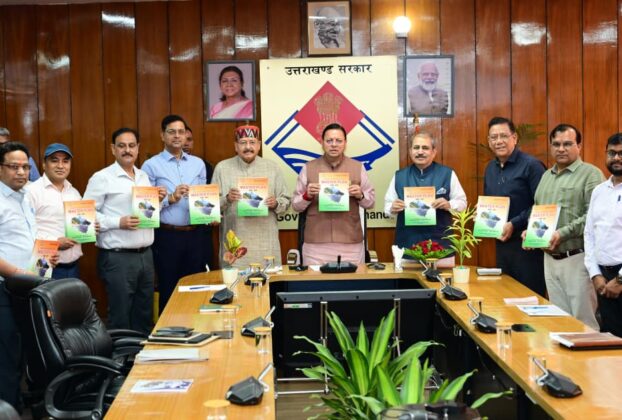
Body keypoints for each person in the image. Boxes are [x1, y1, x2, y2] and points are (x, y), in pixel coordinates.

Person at [84, 128, 163, 335]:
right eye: (122, 146)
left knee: (144, 314)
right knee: (120, 316)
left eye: (131, 145)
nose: (127, 150)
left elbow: (149, 212)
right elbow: (85, 214)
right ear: (113, 149)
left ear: (138, 148)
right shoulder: (102, 177)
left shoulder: (143, 176)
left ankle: (141, 355)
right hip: (117, 258)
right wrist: (117, 222)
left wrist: (159, 201)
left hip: (146, 255)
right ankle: (120, 356)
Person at [527, 124, 603, 330]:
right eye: (556, 144)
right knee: (559, 322)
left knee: (584, 324)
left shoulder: (591, 174)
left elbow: (593, 216)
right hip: (549, 259)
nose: (561, 149)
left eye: (567, 144)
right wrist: (531, 231)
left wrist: (562, 233)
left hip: (577, 259)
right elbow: (538, 210)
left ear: (579, 146)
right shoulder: (546, 176)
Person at [0, 141, 57, 411]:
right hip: (4, 288)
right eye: (14, 167)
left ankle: (21, 405)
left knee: (25, 350)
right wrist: (17, 273)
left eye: (25, 167)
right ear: (0, 168)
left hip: (27, 287)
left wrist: (45, 260)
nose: (22, 172)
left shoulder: (24, 197)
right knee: (7, 355)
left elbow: (26, 241)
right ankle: (8, 411)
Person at [142, 115, 207, 312]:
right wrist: (171, 198)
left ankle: (196, 329)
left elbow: (204, 198)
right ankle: (168, 330)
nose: (177, 136)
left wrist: (210, 213)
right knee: (169, 289)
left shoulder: (198, 164)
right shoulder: (150, 165)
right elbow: (144, 207)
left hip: (196, 235)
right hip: (167, 236)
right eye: (171, 132)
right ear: (162, 135)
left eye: (181, 132)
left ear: (186, 135)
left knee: (196, 289)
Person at [292, 122, 375, 265]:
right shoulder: (308, 168)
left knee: (353, 279)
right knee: (314, 280)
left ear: (345, 143)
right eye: (329, 141)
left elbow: (371, 202)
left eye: (338, 141)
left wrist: (360, 195)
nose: (334, 145)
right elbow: (295, 205)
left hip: (350, 243)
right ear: (322, 143)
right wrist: (306, 196)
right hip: (316, 244)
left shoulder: (357, 167)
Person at [483, 116, 546, 295]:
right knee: (505, 297)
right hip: (501, 245)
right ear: (489, 141)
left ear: (515, 138)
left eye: (503, 136)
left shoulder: (532, 166)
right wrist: (482, 215)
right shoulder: (490, 168)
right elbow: (491, 203)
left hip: (527, 245)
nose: (499, 141)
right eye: (494, 137)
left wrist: (514, 223)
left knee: (530, 298)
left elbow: (542, 205)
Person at [212, 125, 290, 268]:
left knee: (268, 280)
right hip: (235, 243)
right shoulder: (222, 168)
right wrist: (227, 199)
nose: (248, 147)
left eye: (252, 142)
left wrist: (275, 203)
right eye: (243, 143)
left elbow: (286, 200)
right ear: (236, 146)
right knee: (234, 281)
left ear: (259, 145)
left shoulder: (273, 168)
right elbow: (211, 207)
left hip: (266, 243)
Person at [384, 131, 467, 253]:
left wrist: (449, 204)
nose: (420, 152)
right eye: (416, 148)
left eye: (425, 148)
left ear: (434, 152)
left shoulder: (447, 174)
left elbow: (462, 203)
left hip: (440, 245)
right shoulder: (399, 176)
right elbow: (387, 207)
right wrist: (392, 207)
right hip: (408, 244)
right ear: (410, 151)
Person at [26, 143, 84, 279]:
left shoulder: (74, 192)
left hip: (74, 266)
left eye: (65, 161)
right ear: (44, 164)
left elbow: (80, 225)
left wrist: (91, 226)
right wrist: (55, 243)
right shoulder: (31, 192)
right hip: (46, 267)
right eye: (54, 160)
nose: (60, 166)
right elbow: (25, 232)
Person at [585, 133, 622, 337]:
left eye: (621, 153)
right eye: (612, 153)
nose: (616, 158)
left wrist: (620, 280)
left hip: (620, 277)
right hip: (603, 278)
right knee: (610, 338)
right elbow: (589, 234)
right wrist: (595, 274)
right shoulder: (599, 191)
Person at [183, 125, 214, 268]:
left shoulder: (204, 166)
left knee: (201, 276)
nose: (186, 143)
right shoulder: (156, 165)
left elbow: (211, 197)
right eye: (183, 139)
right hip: (170, 233)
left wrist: (213, 214)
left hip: (200, 232)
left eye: (189, 139)